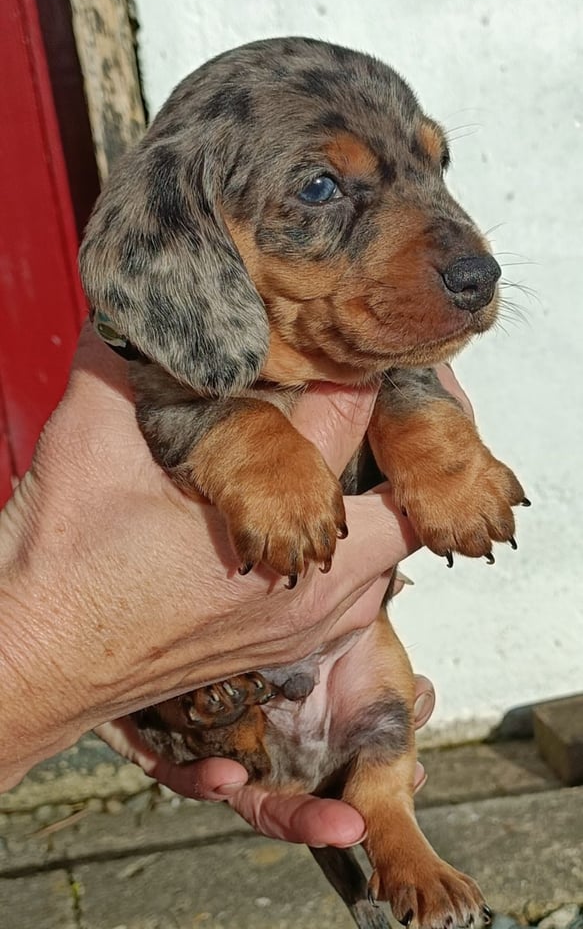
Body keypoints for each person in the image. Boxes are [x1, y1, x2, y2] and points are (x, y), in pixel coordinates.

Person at [0, 325, 467, 845]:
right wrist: (48, 669)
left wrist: (441, 463)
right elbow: (182, 411)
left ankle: (393, 827)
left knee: (379, 699)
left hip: (331, 648)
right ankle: (224, 725)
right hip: (219, 699)